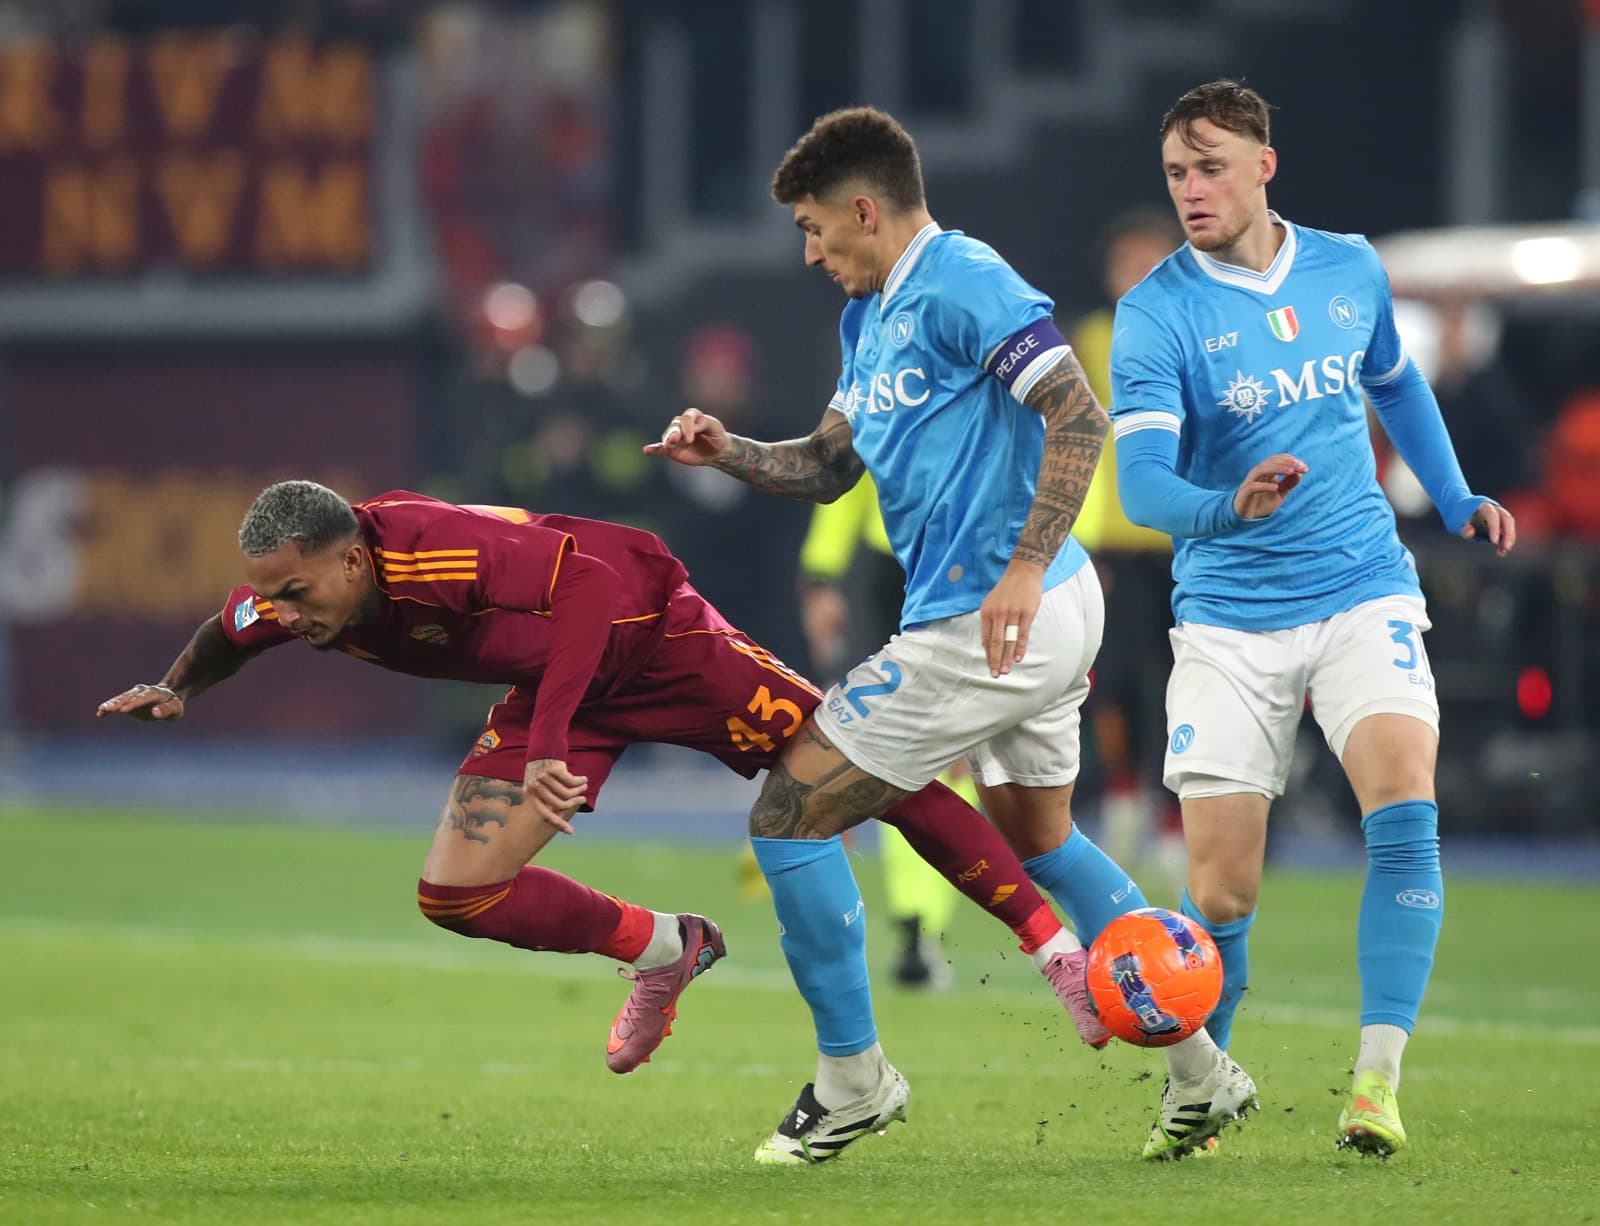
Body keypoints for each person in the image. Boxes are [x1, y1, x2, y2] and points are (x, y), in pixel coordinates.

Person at [96, 482, 1104, 1100]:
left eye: (298, 593)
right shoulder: (294, 589)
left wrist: (543, 736)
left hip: (660, 641)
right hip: (564, 694)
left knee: (866, 774)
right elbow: (227, 631)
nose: (283, 612)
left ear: (352, 557)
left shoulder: (426, 546)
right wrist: (176, 686)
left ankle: (1052, 949)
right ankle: (671, 946)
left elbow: (585, 583)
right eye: (273, 594)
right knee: (455, 891)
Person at [648, 106, 1231, 1165]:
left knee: (788, 812)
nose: (811, 251)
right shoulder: (867, 317)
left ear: (867, 209)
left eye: (817, 228)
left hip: (998, 608)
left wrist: (1015, 566)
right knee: (1037, 836)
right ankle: (1201, 1068)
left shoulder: (966, 280)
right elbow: (830, 466)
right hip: (1023, 606)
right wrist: (727, 448)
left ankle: (852, 1081)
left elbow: (1078, 415)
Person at [1110, 80, 1518, 1159]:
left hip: (1358, 588)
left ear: (1262, 165)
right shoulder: (1158, 310)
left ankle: (1375, 1084)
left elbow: (1395, 385)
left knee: (1402, 807)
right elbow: (1144, 485)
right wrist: (1224, 506)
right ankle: (1201, 1092)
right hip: (1229, 621)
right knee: (1220, 888)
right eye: (1174, 175)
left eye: (1208, 169)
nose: (1190, 191)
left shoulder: (1349, 266)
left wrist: (1459, 490)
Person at [795, 472, 966, 989]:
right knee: (939, 755)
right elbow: (849, 461)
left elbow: (846, 460)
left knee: (917, 755)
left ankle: (914, 928)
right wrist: (820, 579)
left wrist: (820, 576)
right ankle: (920, 928)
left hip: (926, 571)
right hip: (936, 571)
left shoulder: (896, 394)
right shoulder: (988, 396)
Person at [1069, 208, 1186, 895]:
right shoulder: (1088, 341)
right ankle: (1120, 796)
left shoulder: (1200, 337)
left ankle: (1173, 820)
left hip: (1180, 541)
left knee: (1180, 685)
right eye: (1129, 262)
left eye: (1153, 261)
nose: (1139, 275)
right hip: (1109, 543)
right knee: (1106, 681)